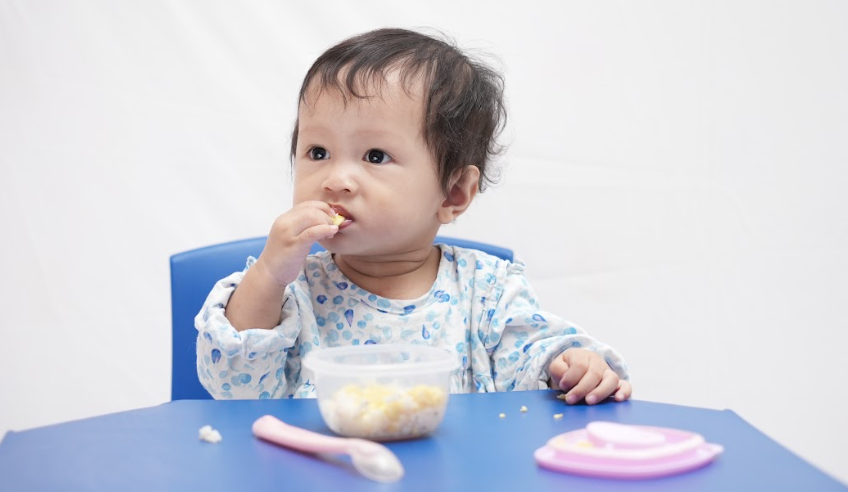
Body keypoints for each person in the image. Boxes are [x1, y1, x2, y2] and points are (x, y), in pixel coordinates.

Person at [196, 27, 631, 405]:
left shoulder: (487, 292)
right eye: (318, 152)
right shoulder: (290, 292)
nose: (335, 179)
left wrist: (571, 366)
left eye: (375, 155)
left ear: (454, 192)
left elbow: (535, 361)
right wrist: (271, 273)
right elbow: (233, 388)